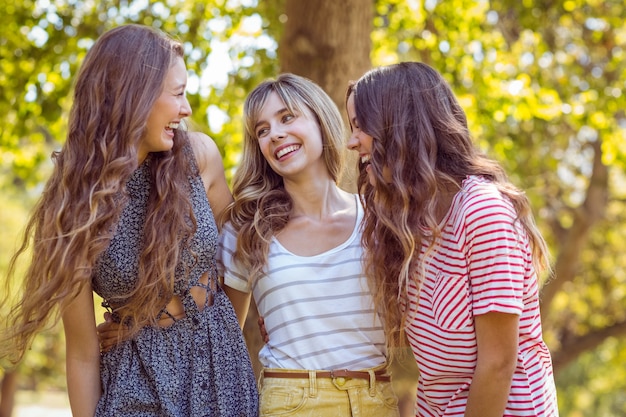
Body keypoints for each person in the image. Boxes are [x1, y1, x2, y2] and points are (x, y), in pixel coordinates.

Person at [0, 24, 258, 416]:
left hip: (220, 379)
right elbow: (83, 354)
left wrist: (208, 337)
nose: (187, 109)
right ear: (135, 96)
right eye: (178, 94)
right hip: (133, 389)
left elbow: (237, 268)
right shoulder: (72, 205)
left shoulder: (200, 157)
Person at [345, 62, 559, 417]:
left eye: (359, 126)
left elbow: (497, 364)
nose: (352, 141)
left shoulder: (482, 211)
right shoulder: (411, 224)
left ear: (399, 124)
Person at [218, 73, 399, 416]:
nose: (276, 134)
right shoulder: (246, 230)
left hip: (378, 399)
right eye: (262, 130)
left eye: (287, 118)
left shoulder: (378, 217)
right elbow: (223, 339)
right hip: (291, 401)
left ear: (320, 119)